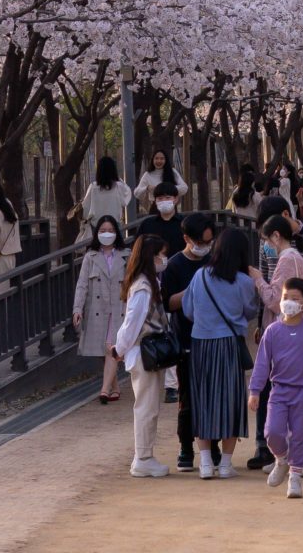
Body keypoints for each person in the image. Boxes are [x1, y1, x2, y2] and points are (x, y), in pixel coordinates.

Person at [169, 227, 261, 479]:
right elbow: (250, 311)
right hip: (229, 344)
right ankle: (226, 464)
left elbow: (188, 309)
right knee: (231, 401)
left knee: (203, 399)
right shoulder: (243, 281)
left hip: (200, 344)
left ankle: (206, 463)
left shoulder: (199, 276)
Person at [249, 277, 303, 498]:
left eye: (295, 299)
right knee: (272, 432)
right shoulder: (272, 331)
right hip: (279, 391)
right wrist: (255, 391)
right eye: (286, 297)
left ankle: (295, 476)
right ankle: (281, 459)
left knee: (300, 435)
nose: (288, 302)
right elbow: (261, 363)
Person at [159, 212, 217, 471]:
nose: (205, 246)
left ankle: (213, 444)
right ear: (186, 239)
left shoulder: (215, 261)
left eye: (209, 241)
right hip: (186, 338)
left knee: (213, 395)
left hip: (215, 337)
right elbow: (168, 303)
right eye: (201, 242)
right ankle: (186, 447)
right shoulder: (174, 265)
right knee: (188, 397)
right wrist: (194, 289)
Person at [111, 235, 170, 477]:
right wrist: (119, 348)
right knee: (146, 406)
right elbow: (132, 323)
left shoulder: (146, 283)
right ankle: (143, 457)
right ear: (151, 256)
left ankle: (144, 455)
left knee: (148, 406)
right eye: (160, 254)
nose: (163, 259)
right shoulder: (143, 287)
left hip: (146, 353)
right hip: (144, 353)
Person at [74, 215, 128, 403]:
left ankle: (104, 390)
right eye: (103, 230)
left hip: (119, 307)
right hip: (96, 308)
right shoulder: (90, 257)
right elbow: (82, 285)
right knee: (102, 350)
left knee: (110, 347)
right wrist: (77, 309)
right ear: (97, 233)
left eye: (111, 230)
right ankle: (114, 386)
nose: (107, 234)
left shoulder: (125, 255)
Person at [82, 156, 133, 226]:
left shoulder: (93, 187)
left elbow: (85, 208)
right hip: (114, 225)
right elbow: (127, 194)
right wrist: (118, 178)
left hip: (97, 226)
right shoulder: (118, 186)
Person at [141, 181, 186, 256]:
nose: (164, 201)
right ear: (155, 201)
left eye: (168, 198)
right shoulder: (147, 224)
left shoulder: (185, 223)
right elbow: (139, 248)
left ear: (176, 199)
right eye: (160, 198)